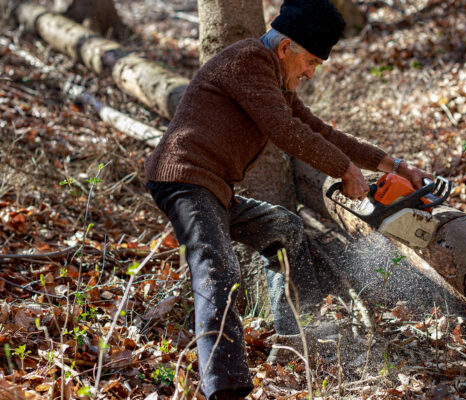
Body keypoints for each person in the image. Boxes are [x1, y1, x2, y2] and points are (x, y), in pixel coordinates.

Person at [144, 0, 432, 398]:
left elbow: (318, 130)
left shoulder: (274, 79)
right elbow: (283, 130)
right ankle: (225, 389)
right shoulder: (248, 60)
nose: (311, 73)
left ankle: (294, 338)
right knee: (216, 267)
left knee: (284, 227)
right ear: (285, 49)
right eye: (310, 62)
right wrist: (345, 170)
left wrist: (393, 165)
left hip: (214, 189)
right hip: (185, 180)